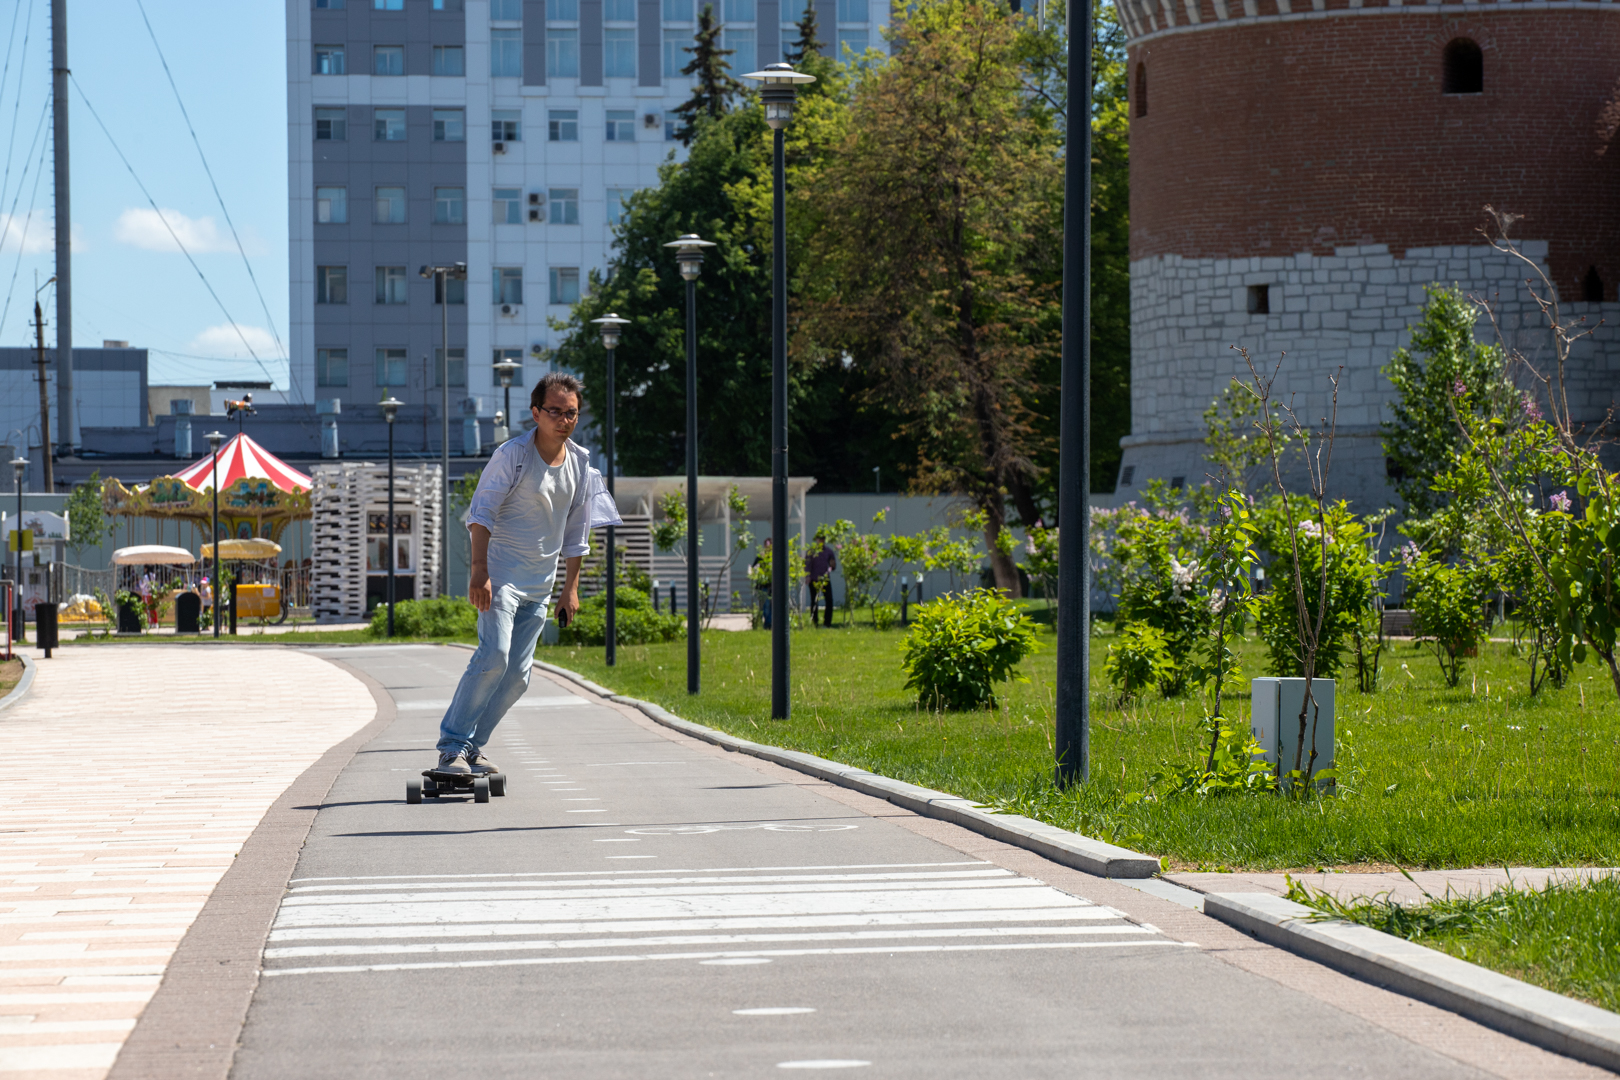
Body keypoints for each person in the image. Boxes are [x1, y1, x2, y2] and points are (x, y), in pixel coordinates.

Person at [432, 371, 620, 776]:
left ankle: (472, 747)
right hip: (499, 578)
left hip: (540, 584)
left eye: (571, 413)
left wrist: (570, 590)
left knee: (518, 677)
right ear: (535, 412)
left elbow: (576, 534)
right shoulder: (512, 455)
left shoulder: (583, 467)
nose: (564, 420)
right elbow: (481, 514)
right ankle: (451, 747)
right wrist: (479, 572)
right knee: (493, 656)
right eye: (555, 411)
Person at [804, 530, 836, 628]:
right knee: (814, 601)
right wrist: (807, 576)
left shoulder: (829, 551)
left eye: (823, 539)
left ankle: (827, 623)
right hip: (813, 579)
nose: (821, 541)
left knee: (829, 600)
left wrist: (832, 566)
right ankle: (815, 622)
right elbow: (807, 564)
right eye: (819, 539)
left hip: (825, 579)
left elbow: (832, 565)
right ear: (816, 540)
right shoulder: (811, 551)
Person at [750, 537, 773, 629]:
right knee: (765, 606)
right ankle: (767, 624)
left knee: (772, 606)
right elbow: (753, 569)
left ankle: (770, 624)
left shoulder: (774, 557)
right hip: (762, 586)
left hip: (772, 585)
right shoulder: (760, 557)